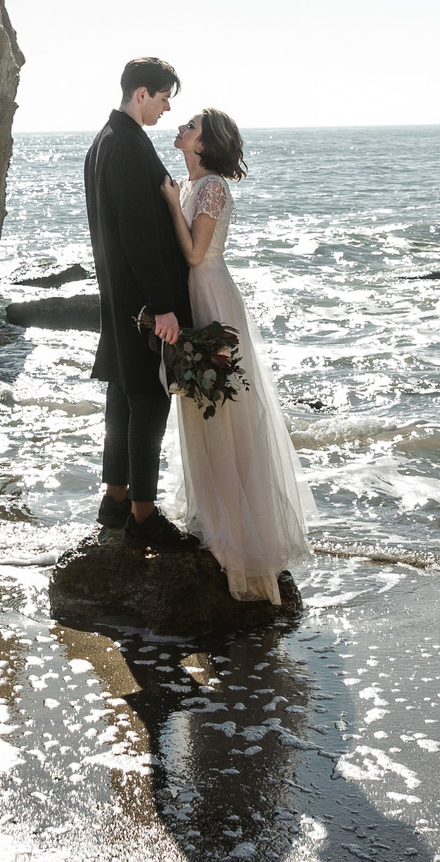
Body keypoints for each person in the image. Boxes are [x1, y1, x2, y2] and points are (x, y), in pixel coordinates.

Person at [159, 107, 314, 602]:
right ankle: (213, 516)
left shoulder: (211, 187)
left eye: (191, 126)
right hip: (193, 297)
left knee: (224, 409)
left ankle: (240, 533)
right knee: (200, 408)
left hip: (211, 298)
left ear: (205, 144)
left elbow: (194, 254)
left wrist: (169, 204)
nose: (181, 128)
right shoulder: (190, 185)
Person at [84, 56, 196, 551]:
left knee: (123, 398)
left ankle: (115, 500)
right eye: (164, 97)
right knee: (149, 400)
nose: (167, 108)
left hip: (117, 294)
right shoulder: (128, 144)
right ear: (142, 93)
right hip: (139, 303)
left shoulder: (103, 141)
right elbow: (137, 233)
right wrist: (161, 304)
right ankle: (143, 518)